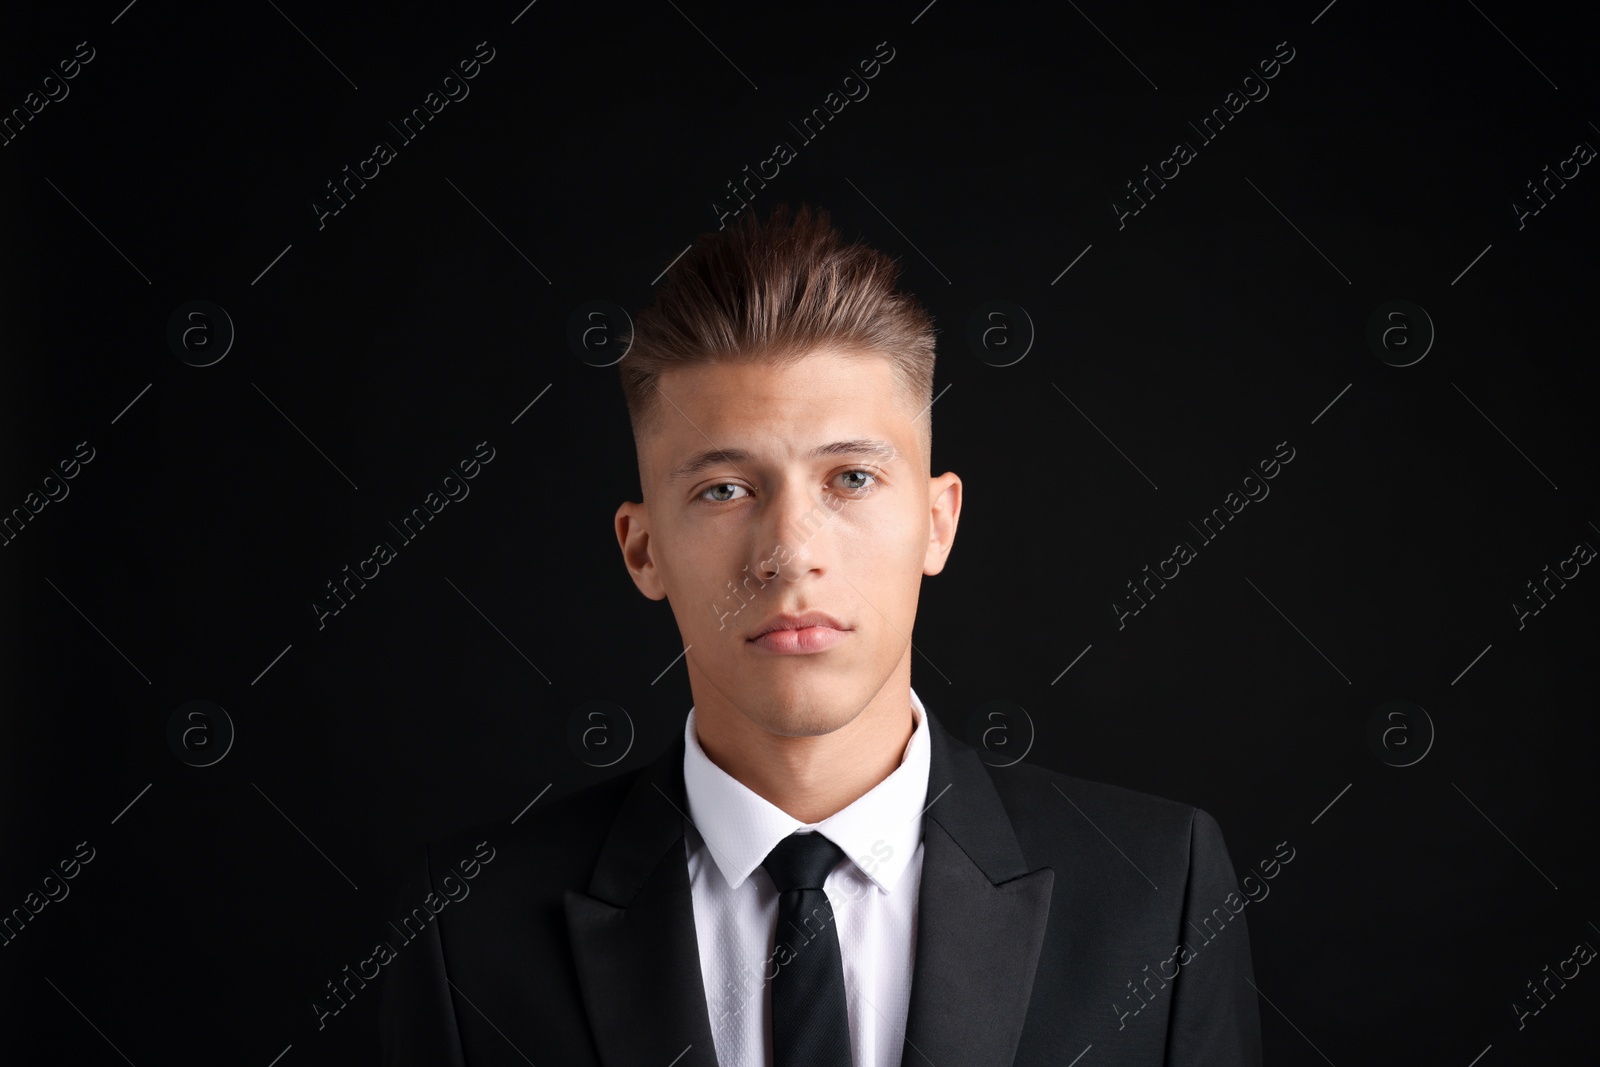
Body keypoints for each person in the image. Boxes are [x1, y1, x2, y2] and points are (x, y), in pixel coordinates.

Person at [379, 203, 1262, 1065]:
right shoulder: (467, 924)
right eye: (725, 489)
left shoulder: (1157, 889)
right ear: (643, 549)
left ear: (936, 521)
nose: (791, 554)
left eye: (850, 477)